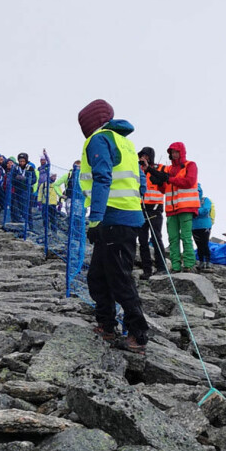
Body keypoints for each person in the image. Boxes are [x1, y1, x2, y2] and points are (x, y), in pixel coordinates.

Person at [77, 98, 150, 354]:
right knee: (98, 275)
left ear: (90, 122)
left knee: (119, 278)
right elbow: (140, 178)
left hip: (112, 219)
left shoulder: (99, 139)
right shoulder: (125, 142)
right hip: (126, 218)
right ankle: (106, 325)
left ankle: (138, 334)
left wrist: (95, 218)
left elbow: (103, 176)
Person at [146, 142, 199, 273]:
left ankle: (189, 264)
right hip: (171, 209)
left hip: (186, 207)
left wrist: (168, 179)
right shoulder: (169, 169)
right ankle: (175, 266)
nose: (174, 154)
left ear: (182, 152)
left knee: (186, 237)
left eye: (176, 152)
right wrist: (159, 183)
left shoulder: (190, 165)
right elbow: (165, 189)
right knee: (173, 238)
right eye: (172, 152)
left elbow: (189, 182)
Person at [137, 147, 168, 278]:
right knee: (142, 240)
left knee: (156, 238)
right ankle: (147, 270)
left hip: (155, 207)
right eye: (142, 156)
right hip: (140, 208)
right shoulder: (138, 169)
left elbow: (165, 179)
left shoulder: (160, 168)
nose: (144, 158)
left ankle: (162, 267)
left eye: (146, 156)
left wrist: (149, 168)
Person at [192, 184, 214, 271]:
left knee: (204, 244)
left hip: (205, 226)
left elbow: (205, 210)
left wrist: (194, 212)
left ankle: (208, 262)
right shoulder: (191, 201)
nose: (197, 193)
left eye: (198, 191)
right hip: (195, 226)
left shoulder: (205, 200)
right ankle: (201, 262)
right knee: (199, 245)